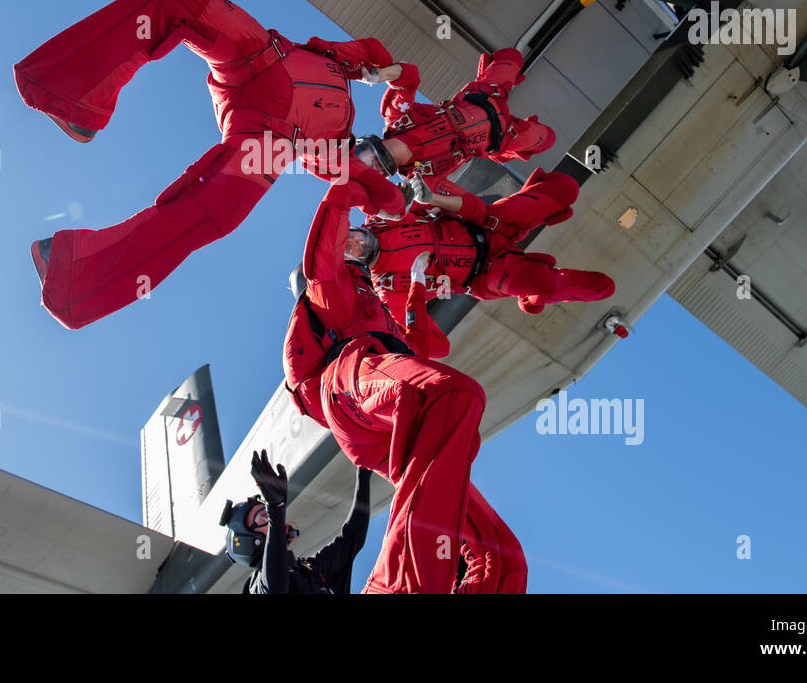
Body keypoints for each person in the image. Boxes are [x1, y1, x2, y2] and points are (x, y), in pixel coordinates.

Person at [17, 0, 398, 330]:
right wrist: (390, 77)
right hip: (257, 56)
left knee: (216, 211)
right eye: (372, 154)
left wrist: (404, 167)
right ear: (369, 139)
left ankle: (74, 273)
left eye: (377, 164)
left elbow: (385, 200)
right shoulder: (339, 66)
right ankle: (75, 95)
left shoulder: (334, 162)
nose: (369, 162)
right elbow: (375, 50)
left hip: (269, 137)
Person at [281, 156, 523, 593]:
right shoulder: (331, 295)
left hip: (382, 410)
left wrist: (415, 285)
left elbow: (424, 348)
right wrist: (349, 186)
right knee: (449, 395)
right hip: (351, 387)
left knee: (501, 557)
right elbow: (321, 260)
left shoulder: (375, 312)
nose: (357, 251)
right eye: (351, 248)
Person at [353, 171, 616, 358]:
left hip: (487, 224)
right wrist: (400, 321)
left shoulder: (384, 219)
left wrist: (428, 197)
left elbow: (430, 186)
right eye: (350, 251)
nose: (356, 244)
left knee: (566, 187)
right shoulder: (388, 289)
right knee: (558, 283)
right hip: (485, 273)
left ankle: (536, 209)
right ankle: (532, 298)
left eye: (352, 237)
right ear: (354, 264)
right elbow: (438, 347)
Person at [351, 48, 555, 193]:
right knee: (547, 138)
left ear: (363, 145)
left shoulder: (397, 117)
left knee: (513, 56)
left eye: (362, 158)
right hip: (503, 136)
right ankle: (510, 149)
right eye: (369, 170)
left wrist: (380, 74)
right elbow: (460, 203)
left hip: (484, 95)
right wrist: (426, 201)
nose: (371, 163)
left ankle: (498, 74)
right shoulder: (420, 179)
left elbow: (410, 77)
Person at [221, 450, 371, 594]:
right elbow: (274, 587)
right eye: (263, 516)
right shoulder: (256, 587)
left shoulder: (310, 569)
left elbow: (352, 537)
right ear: (252, 542)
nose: (270, 519)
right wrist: (275, 508)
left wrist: (364, 471)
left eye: (267, 513)